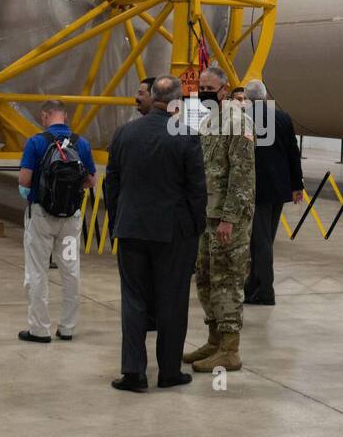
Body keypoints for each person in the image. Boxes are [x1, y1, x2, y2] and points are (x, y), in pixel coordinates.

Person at [104, 76, 207, 391]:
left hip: (132, 229)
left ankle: (134, 373)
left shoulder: (124, 134)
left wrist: (116, 222)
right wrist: (195, 229)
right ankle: (169, 372)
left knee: (133, 300)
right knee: (172, 302)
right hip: (173, 234)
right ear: (177, 102)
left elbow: (112, 185)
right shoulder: (186, 137)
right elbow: (196, 191)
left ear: (154, 98)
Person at [184, 66, 255, 372]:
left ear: (225, 89)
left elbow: (242, 176)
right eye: (201, 86)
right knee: (206, 278)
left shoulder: (238, 122)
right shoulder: (208, 121)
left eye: (210, 87)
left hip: (228, 218)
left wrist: (228, 218)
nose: (204, 91)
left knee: (227, 279)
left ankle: (230, 348)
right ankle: (214, 339)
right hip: (207, 214)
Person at [17, 100, 96, 344]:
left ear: (44, 116)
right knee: (71, 271)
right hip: (71, 220)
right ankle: (68, 327)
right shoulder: (81, 143)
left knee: (37, 272)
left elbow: (25, 179)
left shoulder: (36, 142)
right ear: (65, 116)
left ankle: (40, 329)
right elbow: (91, 180)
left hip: (41, 217)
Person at [243, 80, 303, 306]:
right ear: (266, 96)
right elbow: (292, 153)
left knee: (260, 240)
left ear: (248, 98)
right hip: (279, 187)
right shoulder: (283, 117)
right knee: (266, 238)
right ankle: (254, 283)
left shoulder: (243, 117)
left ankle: (265, 290)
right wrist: (297, 185)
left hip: (255, 186)